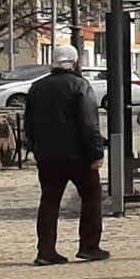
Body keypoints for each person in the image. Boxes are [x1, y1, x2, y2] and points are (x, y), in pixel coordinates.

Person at [24, 45, 109, 265]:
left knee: (50, 201)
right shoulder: (80, 85)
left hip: (48, 156)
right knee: (91, 196)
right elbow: (89, 124)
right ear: (75, 62)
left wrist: (36, 149)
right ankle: (89, 246)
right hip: (78, 155)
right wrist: (96, 153)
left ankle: (46, 251)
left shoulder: (37, 87)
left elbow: (29, 126)